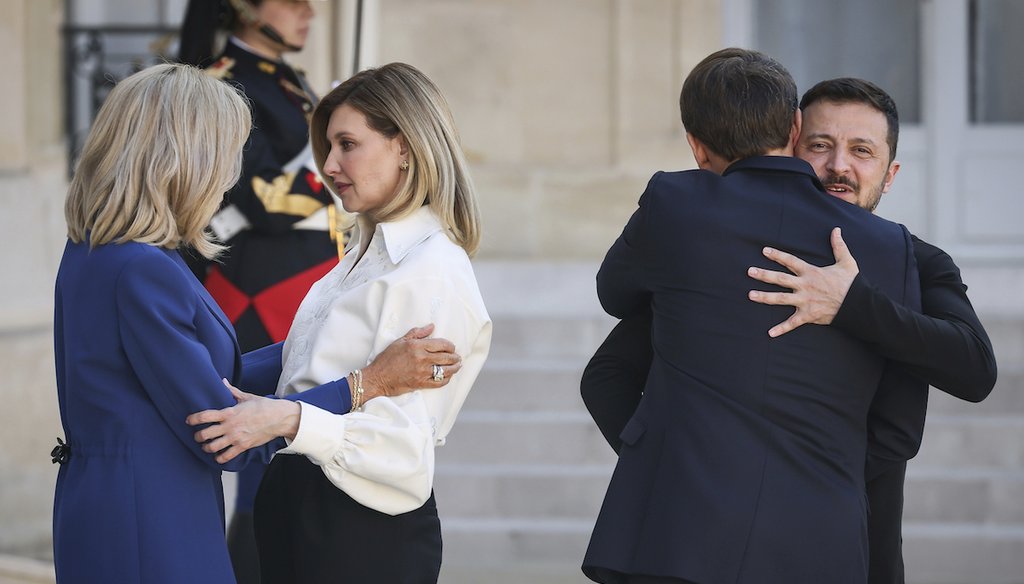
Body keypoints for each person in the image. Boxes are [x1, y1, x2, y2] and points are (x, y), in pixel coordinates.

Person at [51, 63, 460, 584]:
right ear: (186, 157)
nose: (229, 177)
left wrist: (328, 336)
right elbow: (228, 432)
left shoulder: (99, 251)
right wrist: (366, 383)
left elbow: (214, 376)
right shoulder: (141, 268)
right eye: (227, 155)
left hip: (118, 506)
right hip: (149, 523)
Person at [581, 78, 998, 584]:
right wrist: (678, 474)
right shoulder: (722, 250)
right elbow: (608, 374)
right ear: (793, 143)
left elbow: (975, 369)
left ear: (890, 175)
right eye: (821, 145)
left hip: (853, 542)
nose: (839, 165)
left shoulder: (916, 262)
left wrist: (852, 305)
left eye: (861, 151)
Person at [187, 62, 492, 584]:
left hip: (360, 529)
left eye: (347, 144)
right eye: (328, 147)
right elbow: (301, 364)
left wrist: (287, 421)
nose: (328, 166)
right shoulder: (361, 255)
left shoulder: (430, 270)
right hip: (297, 503)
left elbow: (400, 453)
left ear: (405, 146)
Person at [178, 2, 339, 580]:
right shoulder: (226, 81)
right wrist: (352, 158)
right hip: (258, 292)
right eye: (291, 0)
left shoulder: (288, 81)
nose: (309, 12)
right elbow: (266, 199)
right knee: (260, 459)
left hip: (306, 284)